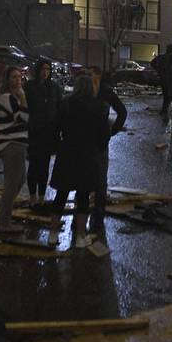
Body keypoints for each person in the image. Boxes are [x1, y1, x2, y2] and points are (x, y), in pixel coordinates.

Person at [47, 75, 103, 249]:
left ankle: (52, 234)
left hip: (68, 151)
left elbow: (55, 126)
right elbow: (103, 132)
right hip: (87, 152)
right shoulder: (97, 106)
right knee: (83, 196)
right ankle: (80, 236)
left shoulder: (66, 103)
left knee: (61, 194)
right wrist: (98, 147)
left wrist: (57, 146)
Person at [0, 66, 29, 234]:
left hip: (17, 144)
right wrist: (24, 98)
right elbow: (24, 118)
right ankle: (4, 224)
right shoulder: (7, 98)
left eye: (19, 77)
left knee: (19, 180)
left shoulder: (14, 98)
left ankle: (2, 219)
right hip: (12, 144)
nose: (18, 80)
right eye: (13, 77)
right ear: (7, 80)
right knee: (12, 184)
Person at [88, 66, 127, 232]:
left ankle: (98, 215)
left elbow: (122, 112)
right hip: (85, 140)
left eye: (92, 74)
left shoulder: (105, 91)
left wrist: (113, 131)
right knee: (85, 176)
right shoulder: (85, 89)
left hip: (100, 141)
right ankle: (82, 213)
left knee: (100, 178)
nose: (90, 77)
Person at [24, 59, 62, 205]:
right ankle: (32, 195)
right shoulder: (30, 87)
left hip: (48, 132)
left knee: (44, 166)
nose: (45, 72)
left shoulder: (54, 87)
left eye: (48, 69)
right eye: (43, 69)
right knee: (33, 165)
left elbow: (59, 108)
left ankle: (41, 196)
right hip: (34, 132)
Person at [150, 43, 172, 119]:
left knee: (167, 94)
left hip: (164, 78)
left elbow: (152, 63)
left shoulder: (161, 57)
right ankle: (165, 111)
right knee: (169, 95)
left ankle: (165, 110)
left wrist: (158, 70)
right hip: (170, 79)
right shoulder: (171, 57)